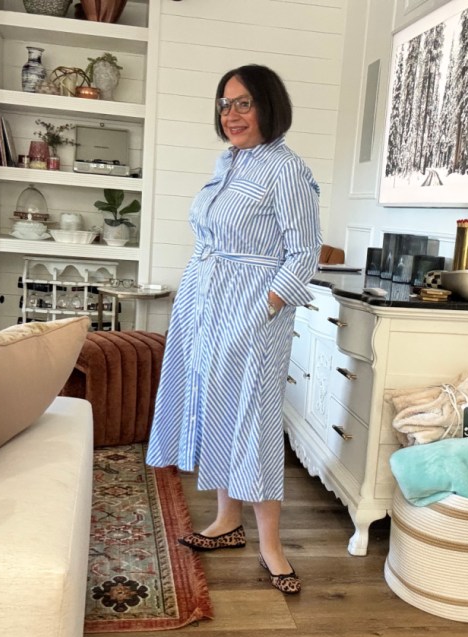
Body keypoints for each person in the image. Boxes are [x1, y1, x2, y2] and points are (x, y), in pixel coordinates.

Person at [146, 64, 322, 594]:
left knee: (254, 419)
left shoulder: (285, 170)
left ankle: (272, 546)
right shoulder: (229, 161)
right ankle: (226, 521)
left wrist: (264, 307)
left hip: (252, 308)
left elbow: (304, 252)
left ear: (268, 106)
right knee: (215, 406)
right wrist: (195, 295)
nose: (232, 114)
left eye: (243, 103)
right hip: (204, 300)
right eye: (225, 104)